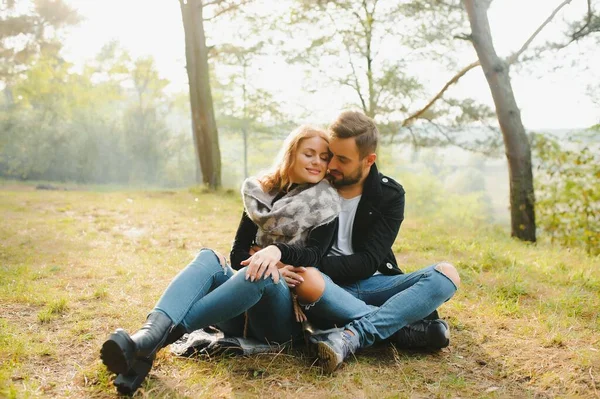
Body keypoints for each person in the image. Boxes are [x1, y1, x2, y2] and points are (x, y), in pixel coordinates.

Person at [99, 125, 341, 394]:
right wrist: (265, 262)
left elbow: (314, 256)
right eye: (310, 153)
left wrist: (275, 260)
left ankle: (150, 343)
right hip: (237, 305)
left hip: (279, 318)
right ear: (292, 153)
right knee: (209, 258)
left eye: (324, 156)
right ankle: (146, 339)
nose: (318, 162)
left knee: (263, 272)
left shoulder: (326, 202)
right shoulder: (260, 193)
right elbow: (238, 255)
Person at [278, 111, 461, 373]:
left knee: (446, 275)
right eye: (332, 155)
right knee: (307, 280)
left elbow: (367, 263)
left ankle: (351, 336)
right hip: (323, 287)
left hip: (374, 283)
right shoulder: (315, 185)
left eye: (342, 159)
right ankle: (399, 326)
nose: (331, 166)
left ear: (368, 160)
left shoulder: (389, 195)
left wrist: (312, 264)